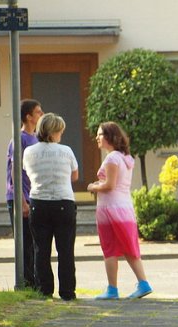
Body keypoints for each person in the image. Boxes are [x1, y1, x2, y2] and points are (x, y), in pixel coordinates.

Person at [87, 122, 152, 300]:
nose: (97, 138)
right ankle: (143, 283)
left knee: (109, 248)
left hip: (109, 209)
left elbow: (109, 185)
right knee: (129, 247)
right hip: (124, 208)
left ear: (109, 137)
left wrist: (94, 186)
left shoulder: (111, 158)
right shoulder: (125, 157)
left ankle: (112, 289)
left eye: (100, 135)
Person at [22, 113, 78, 301]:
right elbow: (74, 176)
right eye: (60, 130)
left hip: (38, 202)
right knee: (65, 250)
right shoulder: (66, 151)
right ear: (54, 131)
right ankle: (67, 292)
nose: (62, 133)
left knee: (41, 250)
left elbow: (27, 172)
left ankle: (45, 290)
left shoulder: (29, 152)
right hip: (63, 202)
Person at [5, 98, 43, 289]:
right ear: (28, 116)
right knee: (25, 243)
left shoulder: (36, 138)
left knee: (34, 242)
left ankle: (34, 283)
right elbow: (15, 171)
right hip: (21, 199)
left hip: (34, 196)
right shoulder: (19, 138)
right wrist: (22, 202)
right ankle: (26, 284)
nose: (41, 114)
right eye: (38, 112)